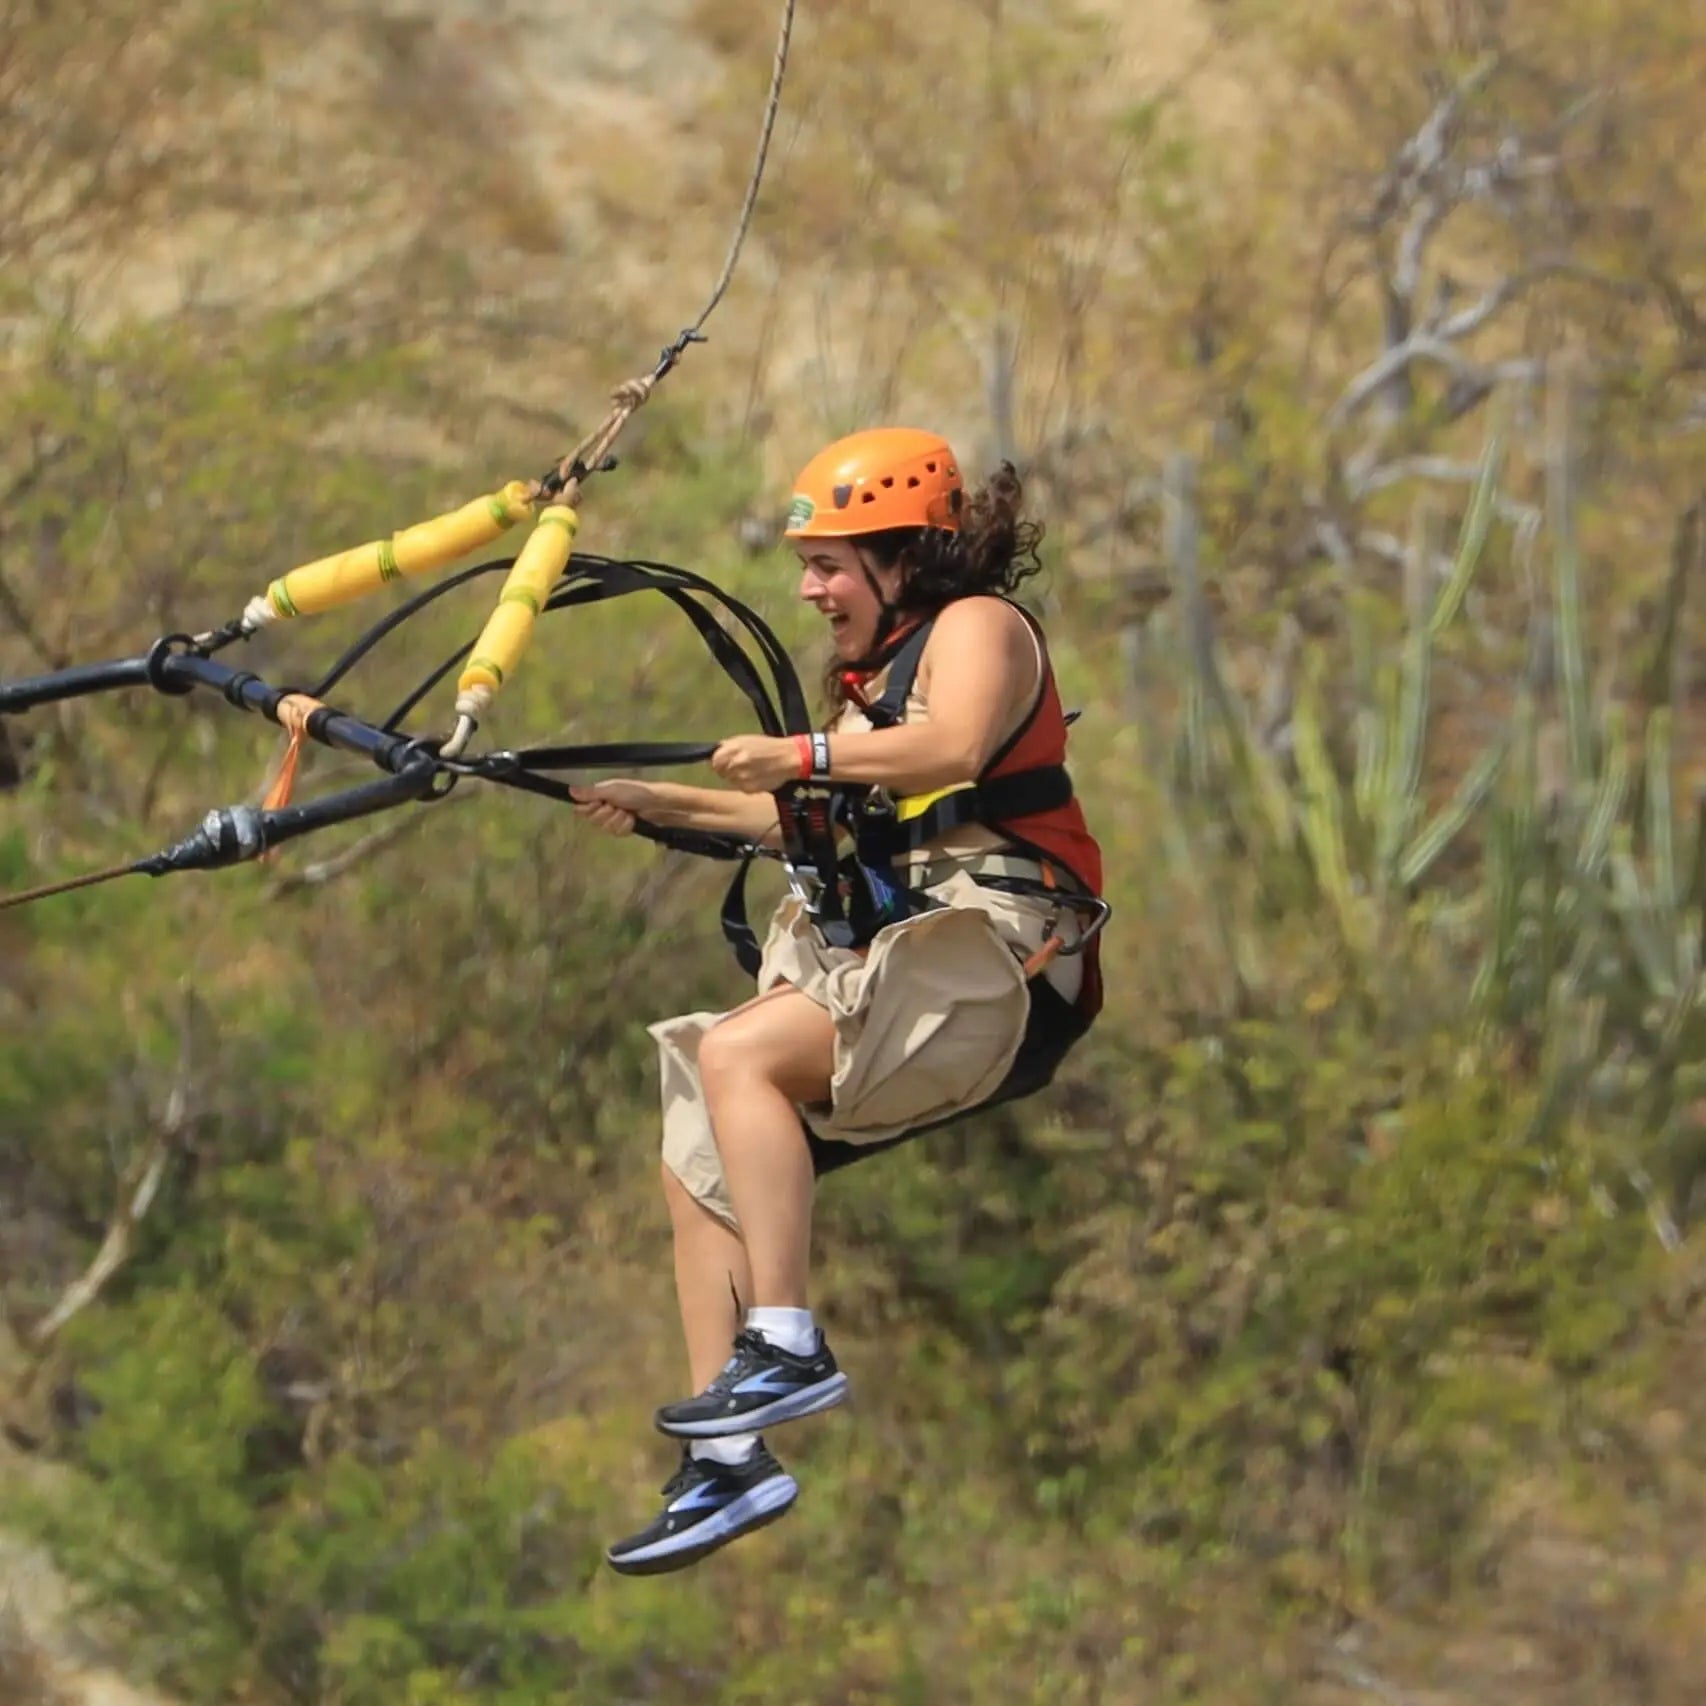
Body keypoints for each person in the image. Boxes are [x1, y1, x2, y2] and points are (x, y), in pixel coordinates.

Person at [572, 427, 1105, 1577]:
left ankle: (786, 1337)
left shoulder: (977, 632)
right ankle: (728, 1452)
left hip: (1006, 950)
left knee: (740, 1054)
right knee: (699, 1133)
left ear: (906, 555)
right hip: (928, 963)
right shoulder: (870, 698)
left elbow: (949, 748)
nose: (811, 588)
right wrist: (651, 800)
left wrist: (804, 750)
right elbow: (795, 814)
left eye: (832, 562)